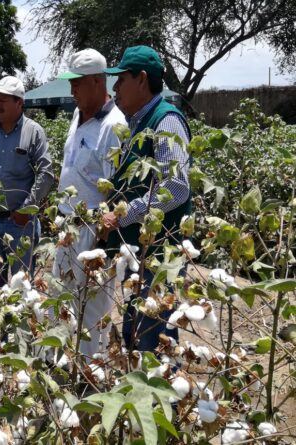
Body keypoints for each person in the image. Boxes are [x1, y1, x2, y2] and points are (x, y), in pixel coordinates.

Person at [100, 45, 192, 352]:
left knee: (149, 335)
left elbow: (176, 186)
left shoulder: (165, 121)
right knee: (138, 329)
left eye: (121, 79)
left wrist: (123, 213)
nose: (115, 88)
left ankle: (161, 399)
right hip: (143, 251)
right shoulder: (139, 122)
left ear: (141, 79)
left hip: (161, 253)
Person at [54, 49, 127, 359]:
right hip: (67, 225)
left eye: (78, 84)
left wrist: (101, 240)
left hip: (91, 231)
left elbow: (115, 191)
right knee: (62, 299)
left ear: (98, 82)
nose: (72, 91)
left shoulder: (114, 126)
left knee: (92, 307)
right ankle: (63, 365)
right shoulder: (76, 115)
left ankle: (87, 374)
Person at [0, 75, 54, 287]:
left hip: (20, 224)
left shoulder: (33, 131)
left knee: (21, 288)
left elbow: (46, 173)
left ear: (19, 103)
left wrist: (25, 211)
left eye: (3, 100)